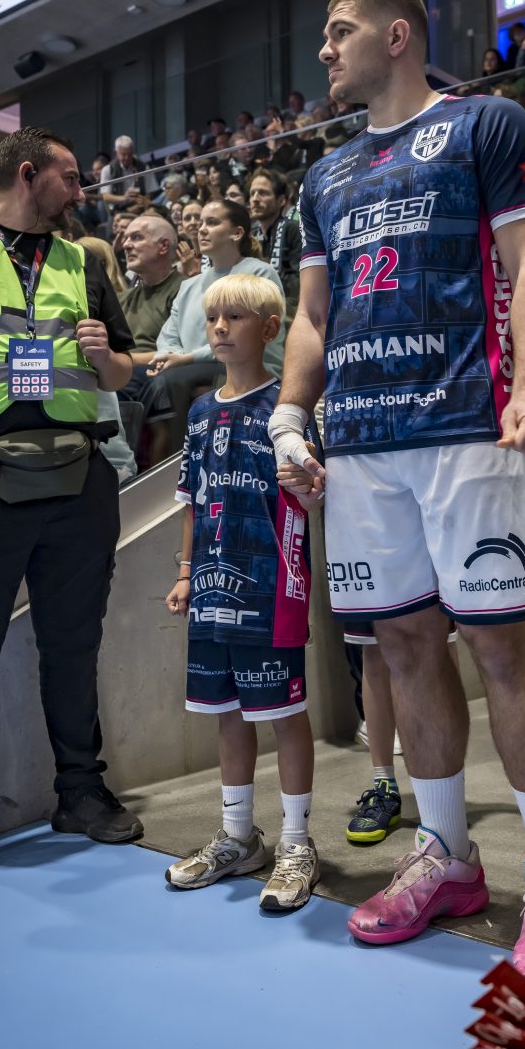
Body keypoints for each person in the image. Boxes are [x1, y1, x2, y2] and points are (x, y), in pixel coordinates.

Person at [270, 0, 525, 996]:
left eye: (339, 31)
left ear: (398, 34)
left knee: (500, 646)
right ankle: (446, 855)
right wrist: (288, 413)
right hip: (361, 444)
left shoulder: (486, 125)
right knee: (404, 644)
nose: (324, 51)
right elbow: (313, 315)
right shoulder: (324, 177)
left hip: (466, 427)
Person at [0, 127, 142, 892]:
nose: (82, 191)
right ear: (28, 173)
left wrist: (108, 359)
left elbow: (125, 368)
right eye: (71, 178)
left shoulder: (87, 258)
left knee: (72, 648)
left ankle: (81, 791)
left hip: (77, 477)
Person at [164, 273, 318, 910]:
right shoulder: (200, 413)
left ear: (270, 328)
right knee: (225, 712)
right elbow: (192, 502)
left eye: (236, 317)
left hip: (270, 586)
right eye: (214, 317)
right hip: (210, 585)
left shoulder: (287, 408)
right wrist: (183, 570)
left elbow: (310, 491)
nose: (221, 327)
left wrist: (311, 487)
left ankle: (297, 844)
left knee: (281, 715)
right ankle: (237, 837)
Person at [146, 200, 283, 456]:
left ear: (237, 232)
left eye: (212, 222)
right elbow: (169, 334)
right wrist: (169, 355)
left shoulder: (258, 273)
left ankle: (183, 460)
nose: (202, 229)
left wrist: (184, 358)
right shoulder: (189, 285)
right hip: (189, 366)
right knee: (137, 378)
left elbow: (245, 339)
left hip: (240, 364)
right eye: (200, 224)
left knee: (169, 380)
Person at [119, 214, 183, 368]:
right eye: (126, 238)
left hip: (155, 374)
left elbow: (182, 352)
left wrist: (119, 362)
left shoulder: (186, 289)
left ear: (163, 246)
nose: (126, 245)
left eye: (136, 237)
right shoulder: (121, 298)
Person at [248, 168, 301, 319]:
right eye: (252, 193)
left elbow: (300, 281)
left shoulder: (294, 229)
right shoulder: (250, 236)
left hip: (287, 310)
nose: (255, 199)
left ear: (281, 200)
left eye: (263, 193)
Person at [99, 136, 157, 212]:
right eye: (123, 154)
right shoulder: (107, 170)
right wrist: (125, 198)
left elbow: (151, 191)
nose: (127, 157)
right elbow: (106, 196)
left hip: (140, 209)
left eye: (129, 154)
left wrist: (141, 202)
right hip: (117, 210)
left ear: (133, 152)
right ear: (116, 153)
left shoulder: (144, 167)